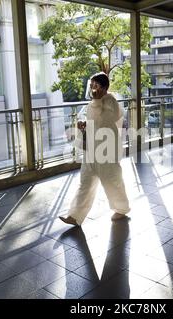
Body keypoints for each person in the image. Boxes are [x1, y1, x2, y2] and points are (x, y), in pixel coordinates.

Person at [59, 72, 130, 226]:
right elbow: (95, 122)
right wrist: (83, 125)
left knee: (112, 182)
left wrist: (97, 102)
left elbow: (107, 121)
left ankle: (121, 208)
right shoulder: (92, 103)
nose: (92, 88)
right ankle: (74, 216)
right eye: (91, 85)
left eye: (95, 85)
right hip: (91, 150)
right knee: (85, 183)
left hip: (107, 150)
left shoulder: (111, 102)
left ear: (104, 87)